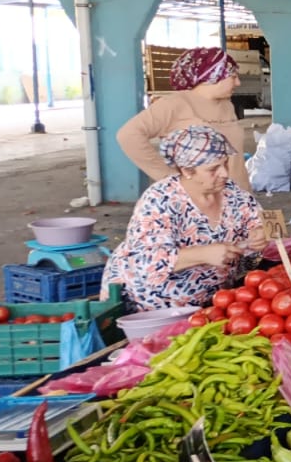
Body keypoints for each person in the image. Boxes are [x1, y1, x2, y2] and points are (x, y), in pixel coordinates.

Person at [103, 126, 266, 311]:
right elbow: (146, 261)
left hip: (211, 302)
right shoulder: (160, 200)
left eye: (225, 163)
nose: (224, 173)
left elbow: (259, 222)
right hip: (153, 304)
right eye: (213, 169)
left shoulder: (234, 195)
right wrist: (203, 254)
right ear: (187, 170)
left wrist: (259, 234)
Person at [117, 48, 252, 193]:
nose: (238, 83)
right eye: (232, 76)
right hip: (198, 200)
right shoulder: (174, 104)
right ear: (212, 76)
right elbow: (128, 135)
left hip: (239, 197)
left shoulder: (226, 105)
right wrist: (168, 176)